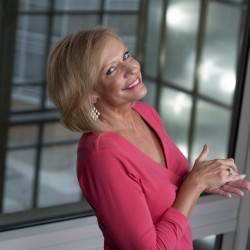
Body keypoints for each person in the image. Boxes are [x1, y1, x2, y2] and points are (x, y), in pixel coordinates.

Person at [47, 27, 250, 250]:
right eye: (112, 69)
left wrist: (204, 177)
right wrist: (195, 184)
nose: (132, 67)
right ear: (89, 93)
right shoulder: (101, 157)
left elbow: (161, 189)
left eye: (126, 55)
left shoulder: (144, 113)